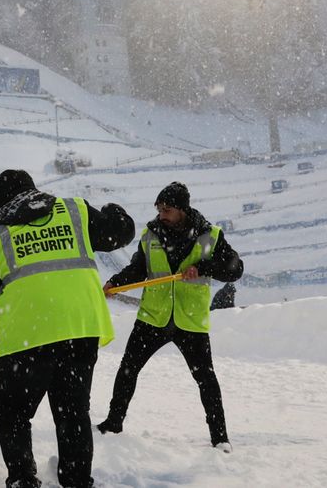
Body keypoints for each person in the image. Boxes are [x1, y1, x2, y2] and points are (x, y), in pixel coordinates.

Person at [0, 169, 135, 488]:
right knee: (72, 410)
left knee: (13, 410)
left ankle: (22, 479)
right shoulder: (75, 211)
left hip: (26, 336)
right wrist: (114, 209)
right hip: (80, 329)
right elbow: (121, 233)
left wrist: (21, 312)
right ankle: (76, 481)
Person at [96, 182, 244, 453]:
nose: (162, 214)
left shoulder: (210, 235)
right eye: (159, 209)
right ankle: (113, 423)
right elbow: (137, 269)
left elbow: (234, 269)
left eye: (168, 209)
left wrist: (203, 268)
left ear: (183, 210)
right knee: (127, 370)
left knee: (206, 379)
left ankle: (220, 437)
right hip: (153, 317)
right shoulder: (150, 235)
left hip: (190, 321)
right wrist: (115, 283)